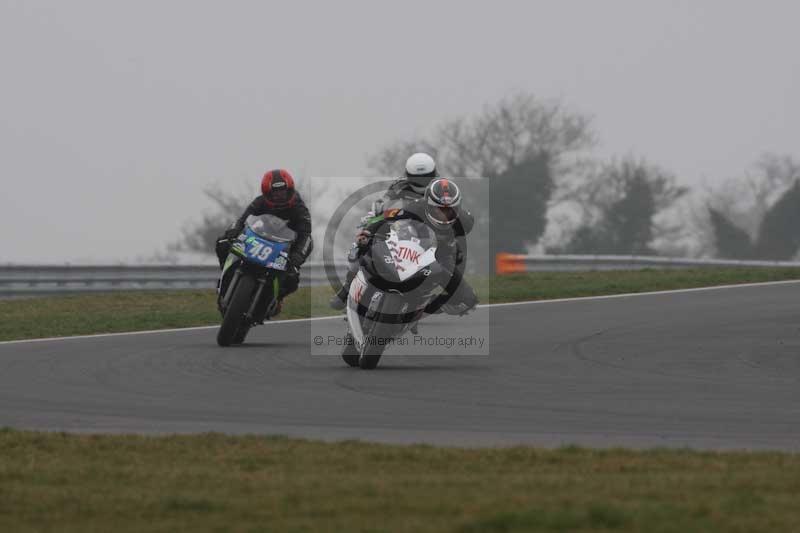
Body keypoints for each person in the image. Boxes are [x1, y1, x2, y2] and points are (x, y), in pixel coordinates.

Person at [329, 153, 473, 309]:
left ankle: (440, 298)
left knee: (453, 264)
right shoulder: (400, 186)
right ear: (408, 175)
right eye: (417, 178)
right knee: (361, 245)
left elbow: (460, 219)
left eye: (426, 177)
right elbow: (384, 204)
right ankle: (347, 289)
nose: (421, 182)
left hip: (439, 240)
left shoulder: (442, 189)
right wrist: (374, 218)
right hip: (409, 229)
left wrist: (455, 240)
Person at [215, 169, 313, 316]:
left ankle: (278, 299)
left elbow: (305, 234)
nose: (279, 195)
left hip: (284, 247)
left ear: (289, 190)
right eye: (275, 192)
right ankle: (225, 274)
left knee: (292, 277)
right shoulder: (260, 202)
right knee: (222, 242)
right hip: (258, 240)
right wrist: (233, 232)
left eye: (282, 191)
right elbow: (242, 220)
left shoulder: (299, 207)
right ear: (268, 192)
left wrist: (297, 256)